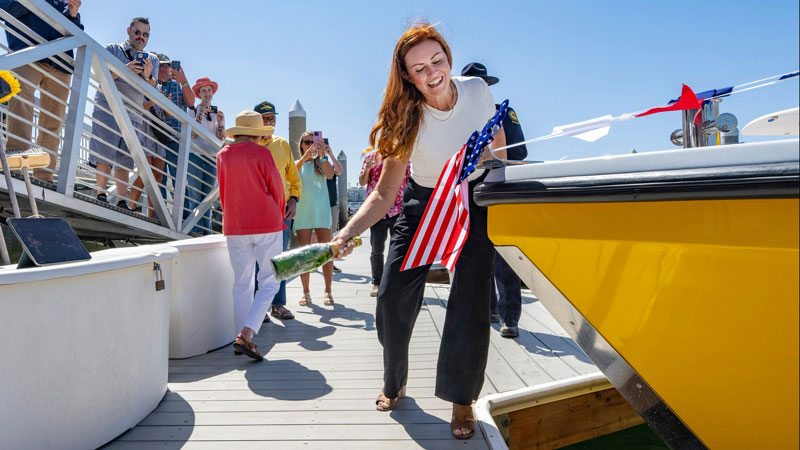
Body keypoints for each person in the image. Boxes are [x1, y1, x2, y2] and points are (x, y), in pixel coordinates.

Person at [332, 23, 506, 439]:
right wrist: (345, 234)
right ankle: (396, 381)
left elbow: (497, 137)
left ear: (448, 57)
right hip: (421, 200)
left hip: (471, 200)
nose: (432, 73)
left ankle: (462, 401)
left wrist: (496, 165)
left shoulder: (478, 91)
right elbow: (383, 192)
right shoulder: (404, 118)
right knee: (392, 297)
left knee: (471, 298)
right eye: (419, 68)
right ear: (407, 76)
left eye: (437, 61)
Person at [462, 62, 527, 338]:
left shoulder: (504, 112)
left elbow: (520, 152)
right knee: (474, 251)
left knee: (504, 255)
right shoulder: (453, 118)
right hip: (467, 191)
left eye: (482, 84)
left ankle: (509, 317)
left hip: (497, 191)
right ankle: (487, 309)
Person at [217, 110, 285, 361]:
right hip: (266, 222)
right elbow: (276, 187)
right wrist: (279, 212)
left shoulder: (222, 155)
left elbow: (223, 190)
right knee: (270, 281)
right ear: (256, 135)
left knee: (242, 283)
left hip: (235, 224)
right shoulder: (262, 153)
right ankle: (246, 335)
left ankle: (242, 336)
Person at [1, 0, 83, 183]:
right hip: (27, 56)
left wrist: (73, 14)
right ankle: (15, 169)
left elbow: (76, 32)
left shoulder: (62, 2)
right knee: (21, 108)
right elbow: (6, 9)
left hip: (60, 65)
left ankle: (45, 176)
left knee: (53, 122)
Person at [88, 17, 159, 209]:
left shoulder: (152, 60)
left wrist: (148, 77)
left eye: (145, 34)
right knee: (104, 150)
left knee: (125, 159)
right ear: (129, 30)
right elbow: (100, 75)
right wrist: (124, 70)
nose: (140, 37)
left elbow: (153, 91)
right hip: (107, 107)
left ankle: (121, 200)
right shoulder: (112, 49)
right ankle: (101, 193)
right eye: (137, 32)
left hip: (134, 113)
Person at [252, 100, 301, 321]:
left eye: (272, 118)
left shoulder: (282, 145)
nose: (270, 122)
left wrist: (294, 200)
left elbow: (293, 177)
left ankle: (278, 304)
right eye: (265, 118)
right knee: (256, 258)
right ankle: (257, 307)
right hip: (256, 210)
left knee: (281, 259)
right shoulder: (249, 146)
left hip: (282, 211)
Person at [359, 149, 409, 297]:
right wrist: (367, 169)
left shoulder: (403, 156)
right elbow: (362, 182)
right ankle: (377, 282)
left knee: (399, 249)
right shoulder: (371, 157)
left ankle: (395, 282)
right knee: (377, 249)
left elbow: (409, 181)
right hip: (377, 210)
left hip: (398, 208)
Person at [294, 131, 335, 306]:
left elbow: (331, 175)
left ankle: (328, 290)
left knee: (326, 253)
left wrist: (323, 155)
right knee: (305, 254)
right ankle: (306, 292)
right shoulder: (298, 163)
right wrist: (305, 157)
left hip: (322, 211)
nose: (310, 144)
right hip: (303, 212)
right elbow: (291, 174)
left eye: (314, 141)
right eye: (307, 142)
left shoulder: (322, 162)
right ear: (301, 144)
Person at [151, 53, 195, 203]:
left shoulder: (179, 84)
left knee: (180, 181)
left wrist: (184, 81)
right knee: (158, 180)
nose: (163, 68)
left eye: (167, 65)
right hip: (155, 137)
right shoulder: (151, 84)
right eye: (160, 65)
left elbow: (190, 102)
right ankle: (159, 217)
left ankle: (184, 218)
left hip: (176, 138)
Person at [189, 76, 224, 234]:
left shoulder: (218, 113)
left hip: (211, 157)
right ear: (199, 93)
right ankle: (194, 231)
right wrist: (199, 116)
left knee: (208, 199)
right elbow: (192, 135)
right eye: (203, 90)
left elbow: (220, 139)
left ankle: (207, 233)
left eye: (209, 90)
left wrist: (221, 124)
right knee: (195, 196)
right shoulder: (192, 111)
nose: (207, 93)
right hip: (195, 155)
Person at [324, 140, 344, 272]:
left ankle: (330, 262)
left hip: (331, 203)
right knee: (314, 235)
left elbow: (339, 171)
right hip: (317, 204)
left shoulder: (328, 163)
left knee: (331, 234)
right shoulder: (312, 163)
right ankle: (314, 261)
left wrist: (329, 154)